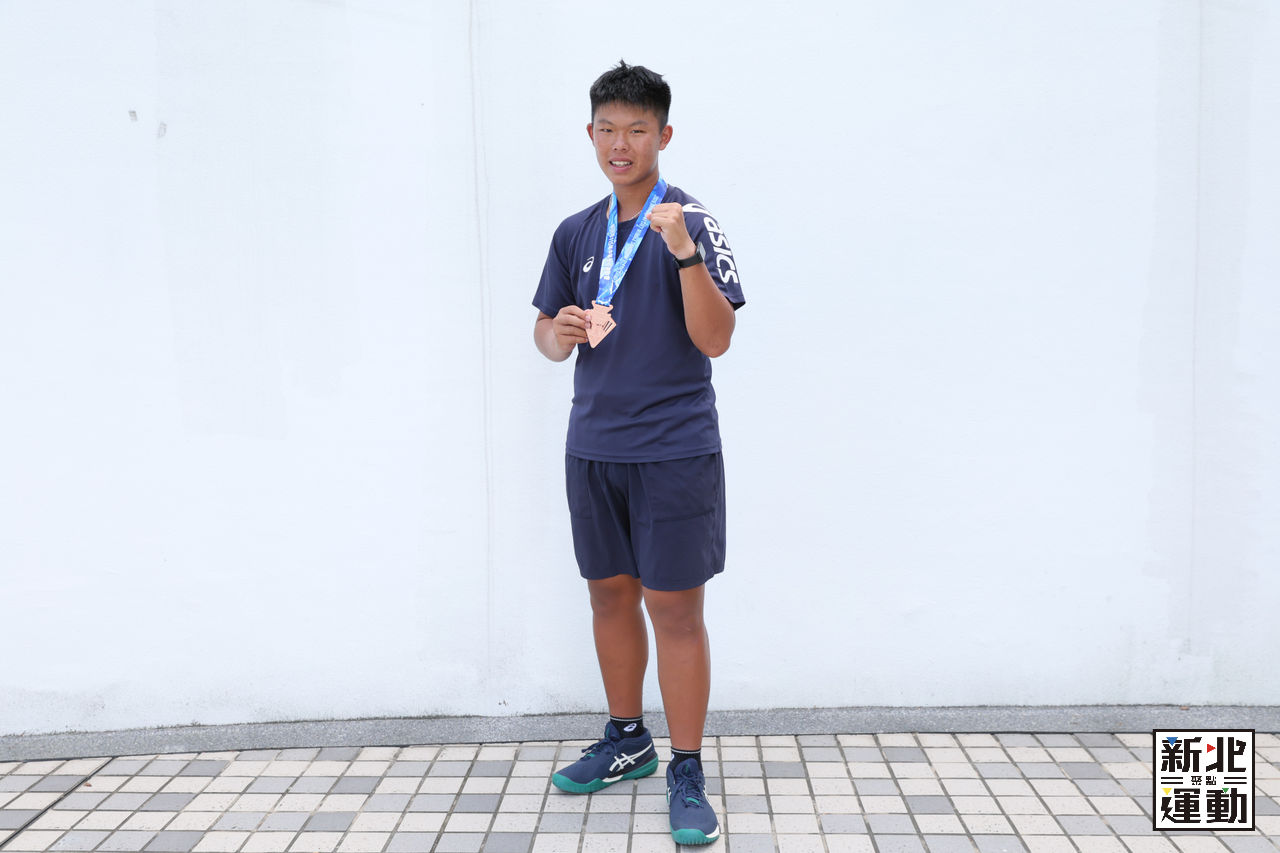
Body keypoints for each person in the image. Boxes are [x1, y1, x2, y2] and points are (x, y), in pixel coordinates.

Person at [531, 60, 745, 846]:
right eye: (608, 130)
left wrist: (684, 252)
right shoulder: (575, 231)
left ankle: (686, 766)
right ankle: (628, 739)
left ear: (664, 135)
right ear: (591, 134)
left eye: (637, 130)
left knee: (676, 611)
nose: (621, 144)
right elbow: (545, 334)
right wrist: (558, 332)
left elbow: (716, 339)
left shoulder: (691, 220)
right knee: (608, 597)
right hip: (594, 446)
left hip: (674, 450)